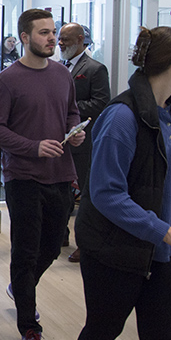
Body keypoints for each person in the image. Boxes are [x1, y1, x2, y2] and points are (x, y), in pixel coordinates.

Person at [74, 26, 171, 340]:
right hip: (116, 252)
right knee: (102, 333)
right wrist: (165, 231)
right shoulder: (122, 117)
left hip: (168, 254)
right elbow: (105, 194)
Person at [0, 8, 86, 340]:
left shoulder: (62, 74)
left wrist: (75, 131)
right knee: (26, 254)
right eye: (43, 32)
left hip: (61, 173)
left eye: (53, 31)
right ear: (24, 38)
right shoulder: (7, 80)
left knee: (50, 248)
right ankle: (29, 328)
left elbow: (71, 111)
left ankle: (21, 286)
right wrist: (33, 146)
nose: (51, 38)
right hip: (24, 176)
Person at [58, 22, 111, 262]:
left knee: (84, 194)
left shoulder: (95, 69)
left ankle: (85, 244)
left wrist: (67, 110)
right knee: (61, 193)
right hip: (60, 142)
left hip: (83, 142)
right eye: (59, 38)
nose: (60, 43)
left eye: (65, 39)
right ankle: (60, 234)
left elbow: (101, 103)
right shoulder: (58, 67)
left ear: (80, 40)